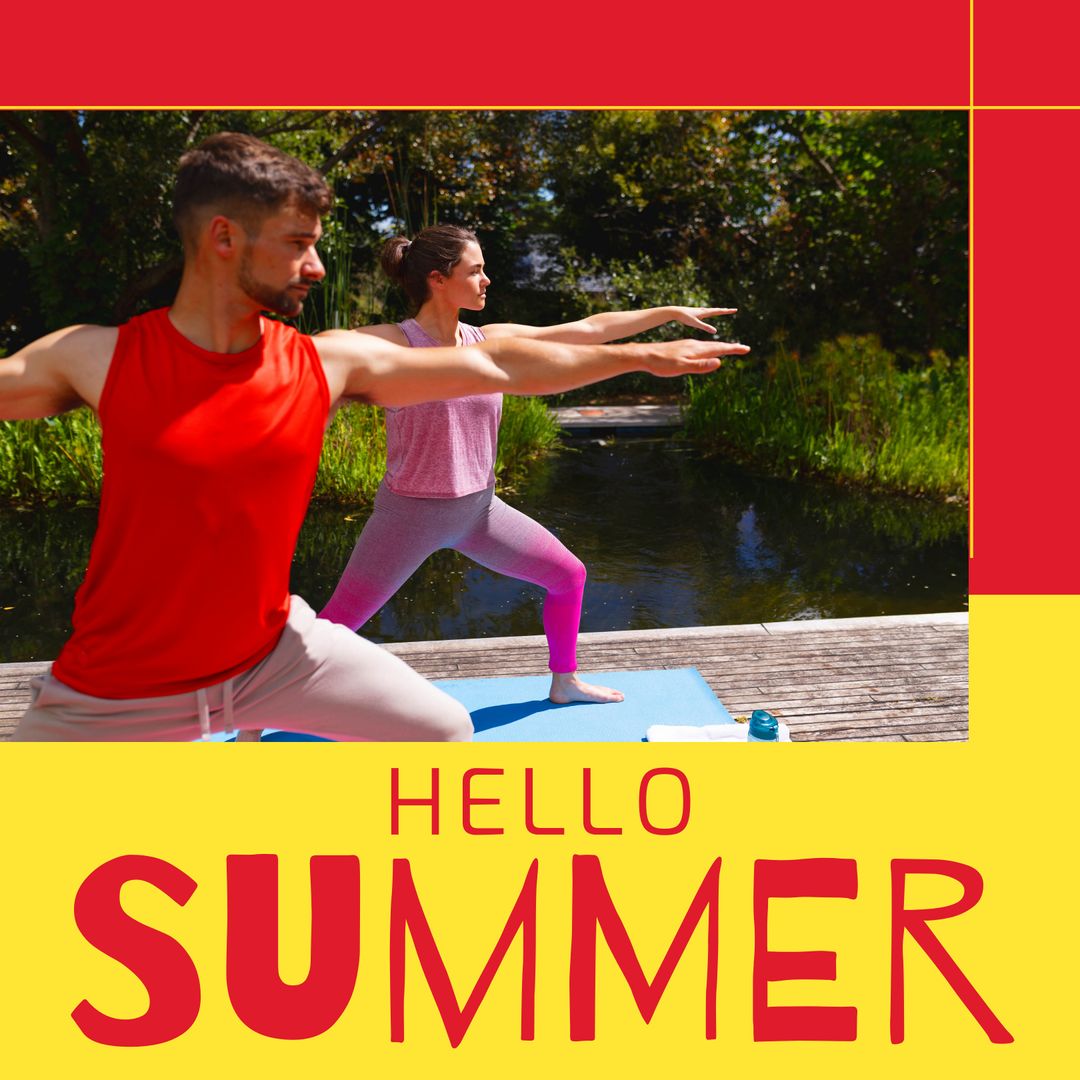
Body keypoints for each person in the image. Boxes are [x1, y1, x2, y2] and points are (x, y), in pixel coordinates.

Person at [0, 133, 749, 742]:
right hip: (130, 677)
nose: (318, 266)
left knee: (453, 719)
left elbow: (512, 363)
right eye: (300, 243)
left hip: (340, 604)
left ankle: (321, 800)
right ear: (224, 238)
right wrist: (638, 354)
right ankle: (252, 726)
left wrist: (645, 346)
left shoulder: (336, 361)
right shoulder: (101, 357)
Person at [319, 225, 737, 705]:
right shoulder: (394, 342)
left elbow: (588, 331)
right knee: (333, 629)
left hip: (480, 512)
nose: (486, 280)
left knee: (568, 576)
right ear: (438, 279)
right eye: (475, 270)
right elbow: (323, 355)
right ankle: (255, 716)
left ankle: (565, 682)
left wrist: (665, 314)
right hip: (410, 515)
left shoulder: (490, 341)